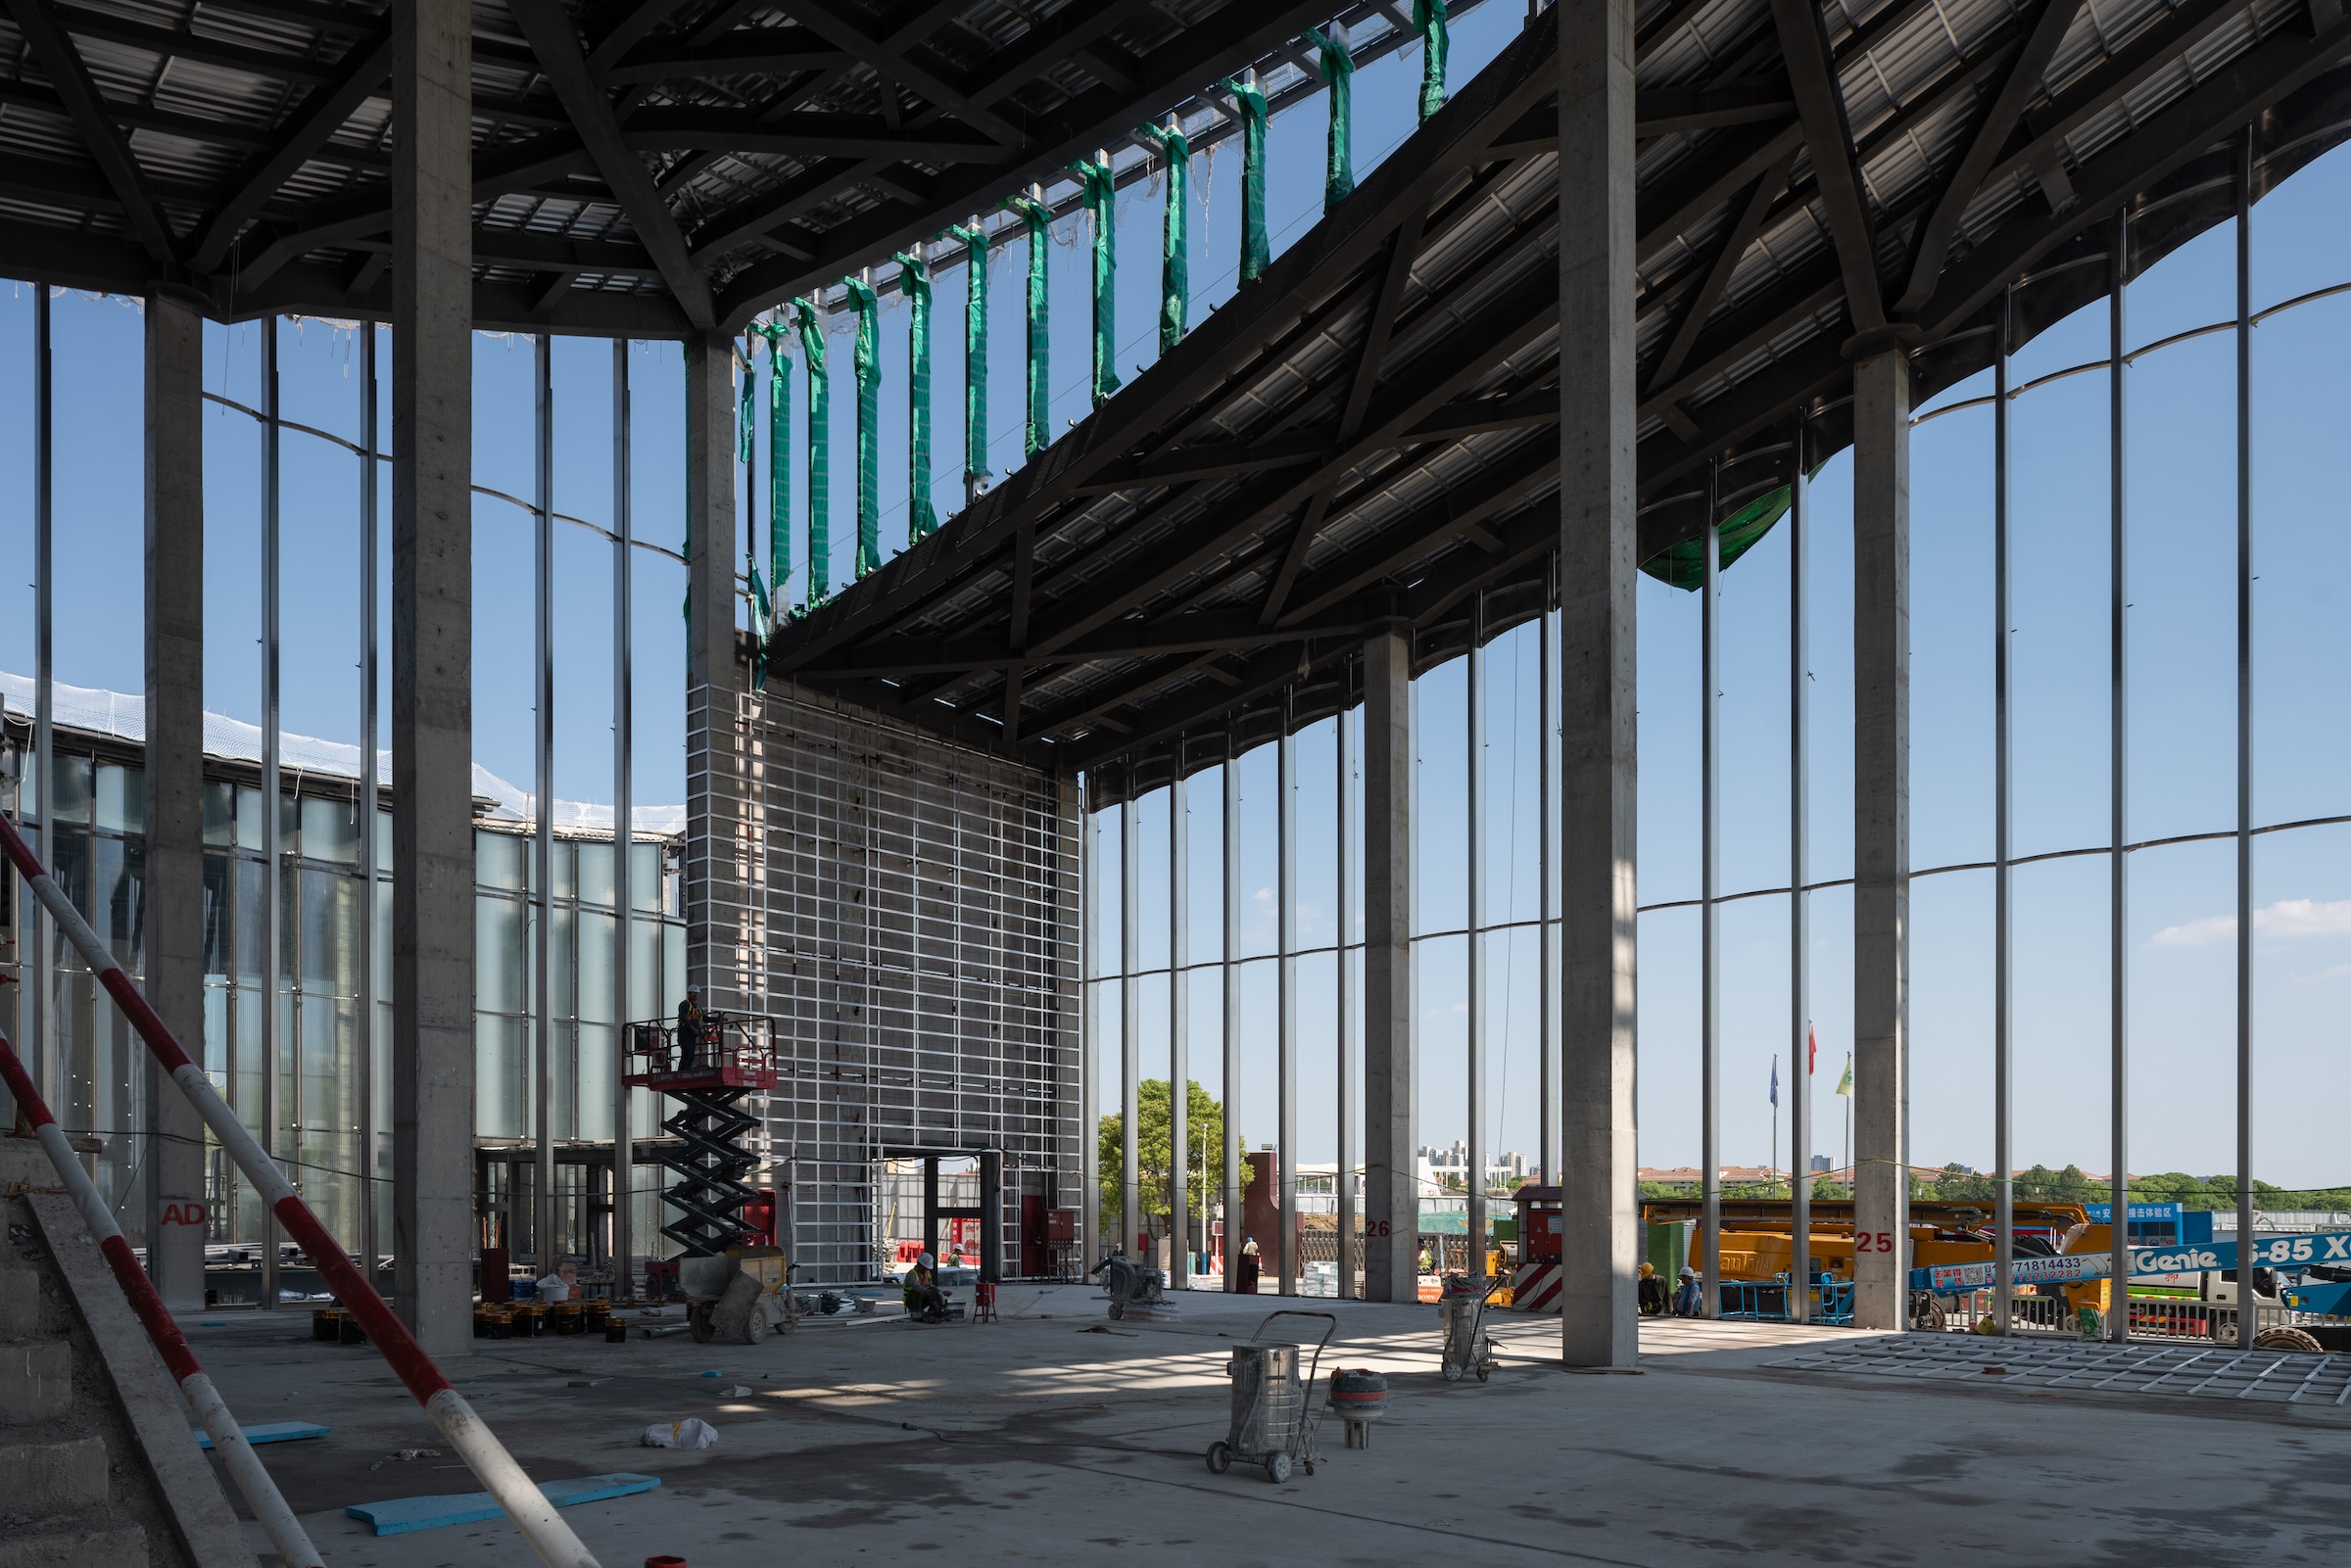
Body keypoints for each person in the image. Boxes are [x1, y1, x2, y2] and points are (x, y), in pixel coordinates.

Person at [902, 1251, 947, 1322]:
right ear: (919, 1265)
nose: (927, 1269)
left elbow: (931, 1286)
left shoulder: (927, 1273)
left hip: (922, 1299)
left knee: (934, 1291)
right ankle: (917, 1314)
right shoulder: (911, 1274)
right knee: (917, 1292)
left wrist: (941, 1292)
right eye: (925, 1267)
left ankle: (936, 1312)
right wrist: (925, 1291)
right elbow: (916, 1286)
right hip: (911, 1301)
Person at [676, 983, 707, 1069]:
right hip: (685, 1033)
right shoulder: (685, 1005)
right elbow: (683, 1016)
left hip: (691, 1035)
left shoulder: (697, 1007)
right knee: (687, 1054)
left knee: (691, 1055)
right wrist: (691, 1027)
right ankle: (682, 1072)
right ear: (689, 994)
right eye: (693, 993)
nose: (695, 995)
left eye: (697, 993)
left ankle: (686, 1071)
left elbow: (705, 1018)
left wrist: (719, 1019)